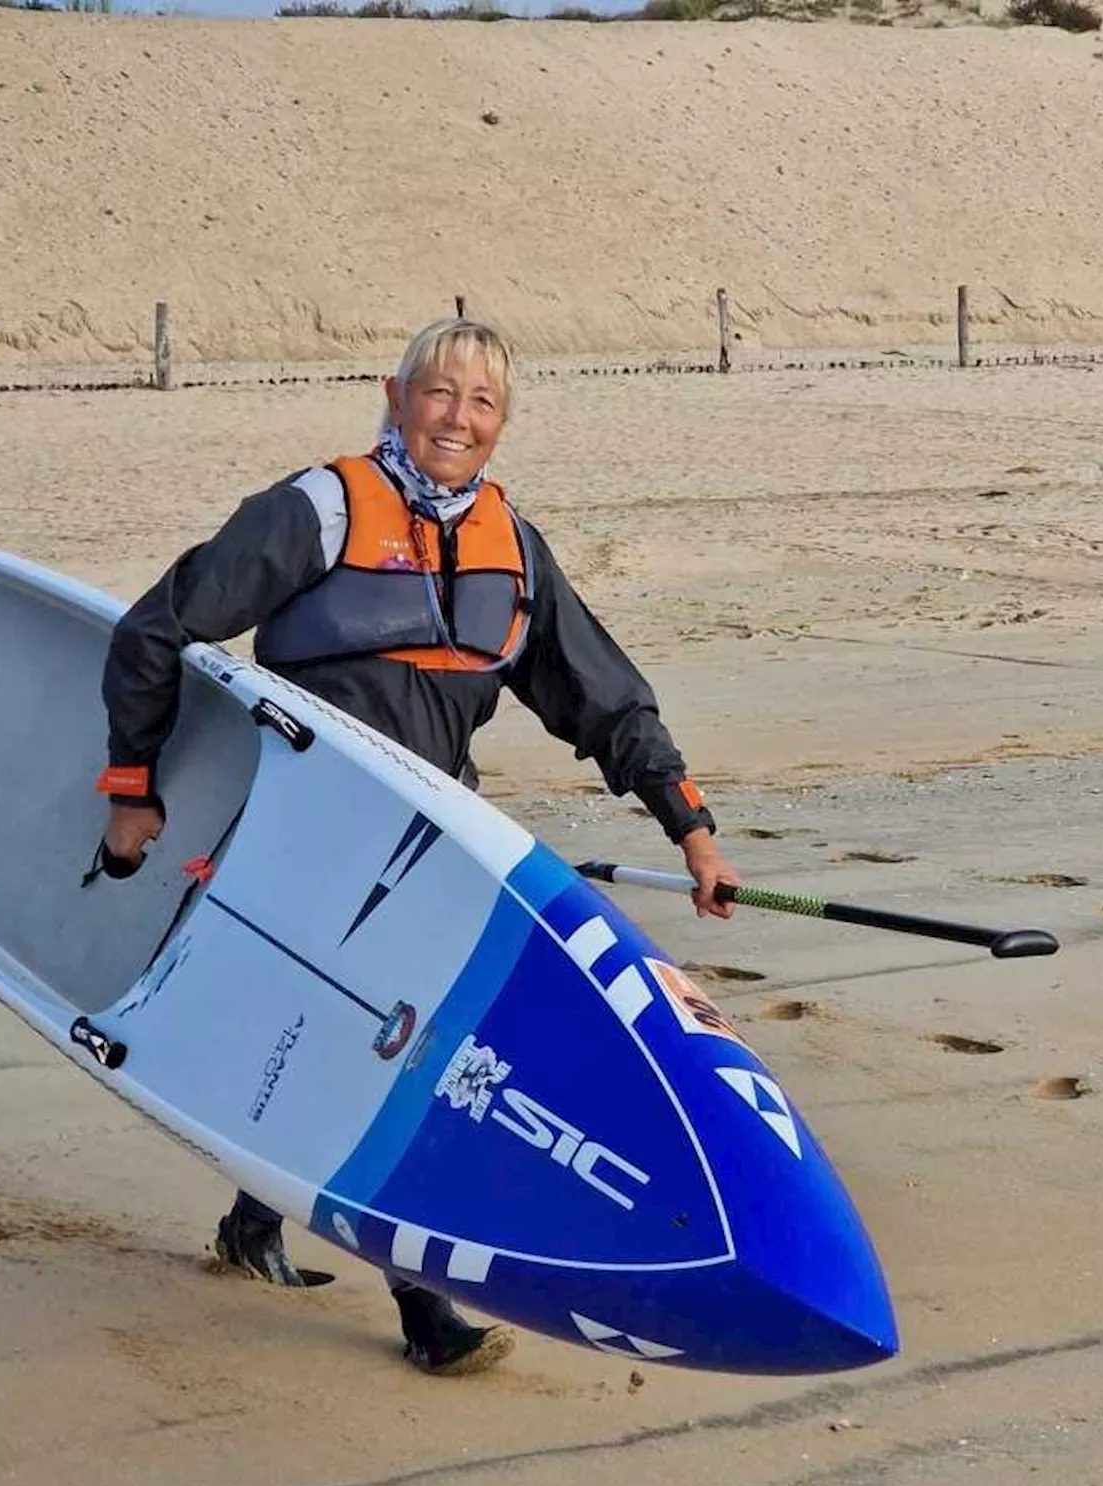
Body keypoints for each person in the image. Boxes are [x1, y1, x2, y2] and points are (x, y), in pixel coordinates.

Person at [96, 317, 739, 1377]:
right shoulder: (318, 509)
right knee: (391, 1043)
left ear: (502, 424)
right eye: (439, 394)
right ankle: (421, 1305)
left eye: (482, 403)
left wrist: (690, 824)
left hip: (435, 836)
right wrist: (132, 789)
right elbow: (155, 630)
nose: (458, 418)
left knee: (360, 1033)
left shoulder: (510, 543)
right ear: (396, 398)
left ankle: (257, 1217)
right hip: (309, 828)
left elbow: (600, 697)